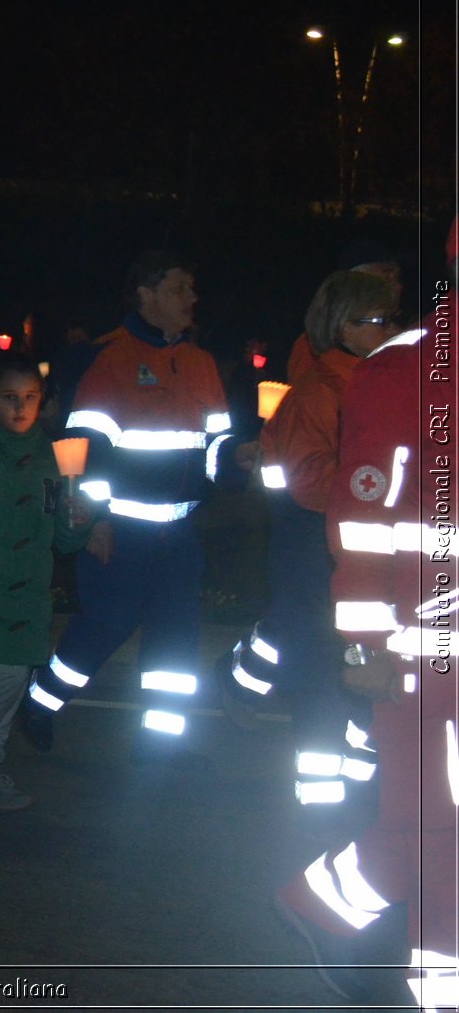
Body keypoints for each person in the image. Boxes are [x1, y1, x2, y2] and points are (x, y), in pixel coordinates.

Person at [273, 306, 456, 1009]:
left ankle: (323, 905)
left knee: (436, 830)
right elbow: (363, 519)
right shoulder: (404, 370)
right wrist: (367, 644)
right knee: (441, 834)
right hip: (422, 653)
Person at [23, 251, 243, 763]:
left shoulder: (201, 362)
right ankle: (40, 701)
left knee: (176, 642)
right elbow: (77, 450)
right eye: (179, 288)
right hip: (120, 529)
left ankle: (159, 751)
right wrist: (92, 521)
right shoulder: (106, 357)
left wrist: (238, 461)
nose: (192, 298)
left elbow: (217, 446)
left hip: (180, 533)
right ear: (145, 295)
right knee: (105, 626)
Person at [227, 271, 401, 807]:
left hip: (352, 544)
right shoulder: (325, 389)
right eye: (380, 321)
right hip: (314, 548)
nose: (392, 329)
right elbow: (310, 482)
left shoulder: (371, 380)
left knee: (359, 666)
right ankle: (320, 802)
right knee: (325, 675)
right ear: (345, 326)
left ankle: (354, 787)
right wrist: (386, 488)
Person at [0, 356, 93, 810]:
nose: (21, 407)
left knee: (18, 675)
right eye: (10, 397)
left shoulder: (53, 455)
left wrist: (78, 519)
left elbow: (63, 537)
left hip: (29, 587)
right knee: (6, 675)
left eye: (30, 398)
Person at [287, 240, 404, 383]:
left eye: (396, 277)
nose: (398, 286)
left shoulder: (399, 331)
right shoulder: (310, 350)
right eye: (386, 277)